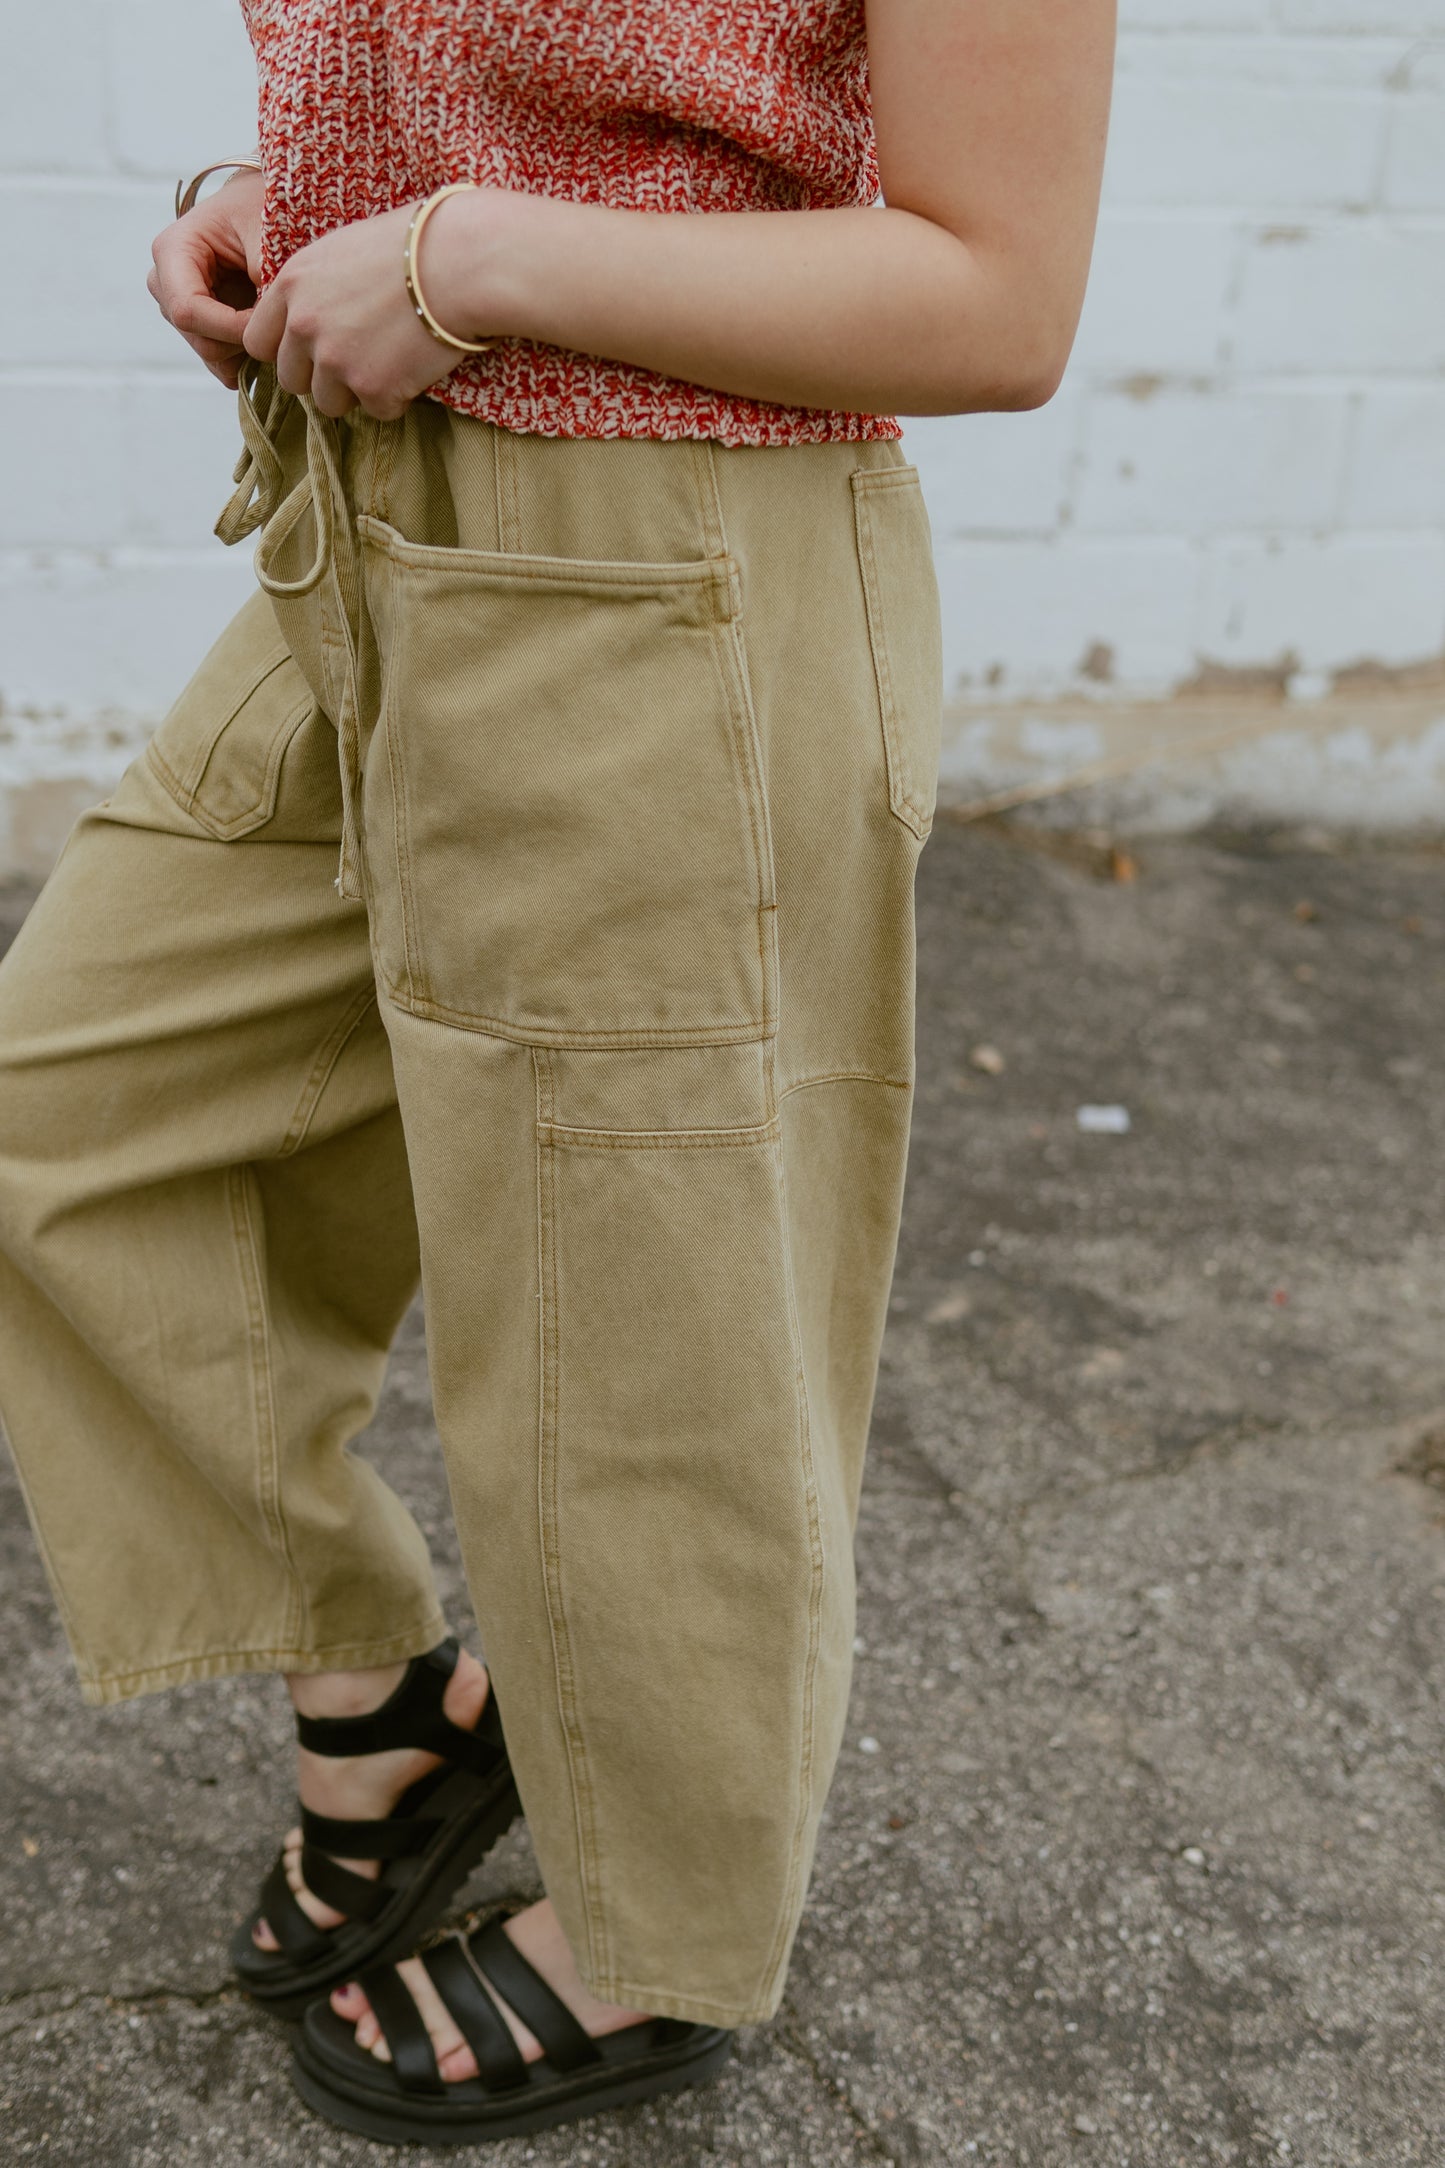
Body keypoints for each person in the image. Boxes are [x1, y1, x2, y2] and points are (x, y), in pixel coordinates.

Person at [0, 0, 1114, 2145]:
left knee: (642, 1330)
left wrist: (469, 263)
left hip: (669, 575)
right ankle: (395, 1702)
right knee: (67, 1106)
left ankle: (663, 1934)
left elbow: (999, 296)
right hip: (384, 530)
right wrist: (274, 213)